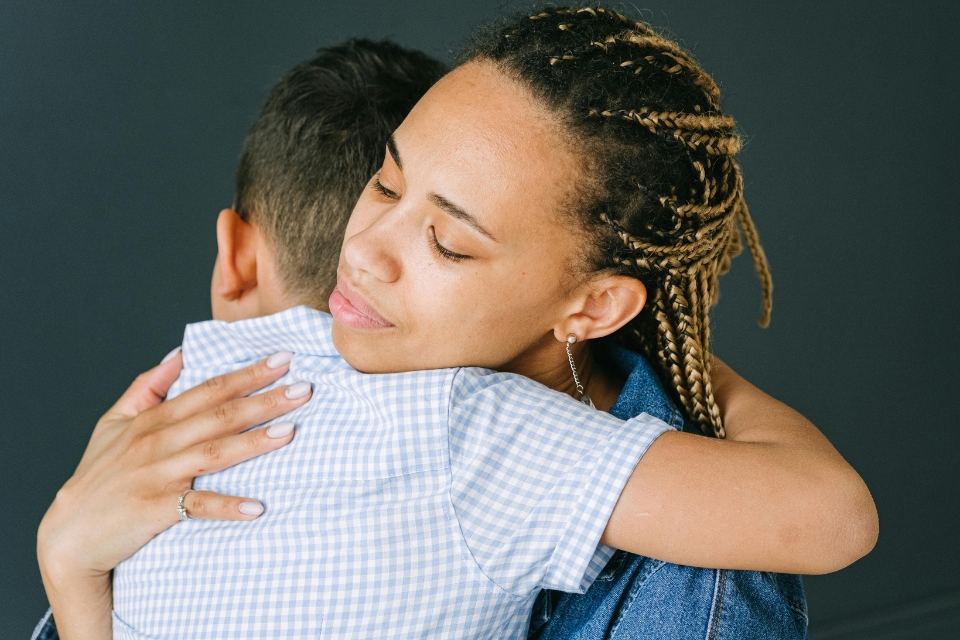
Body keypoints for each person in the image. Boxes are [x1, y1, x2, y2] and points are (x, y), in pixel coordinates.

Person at [36, 7, 880, 639]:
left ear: (592, 304)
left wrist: (72, 575)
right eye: (386, 185)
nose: (362, 250)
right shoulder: (442, 424)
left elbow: (832, 517)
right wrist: (71, 560)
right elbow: (832, 515)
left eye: (446, 242)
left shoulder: (228, 375)